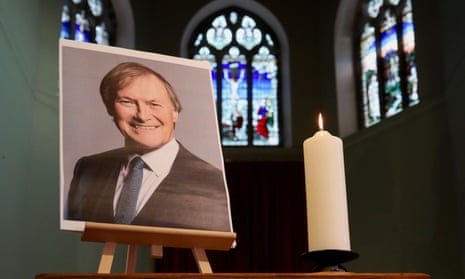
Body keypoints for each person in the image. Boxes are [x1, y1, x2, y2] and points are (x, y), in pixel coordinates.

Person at [66, 62, 232, 232]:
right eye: (127, 102)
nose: (142, 116)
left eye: (154, 104)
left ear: (175, 113)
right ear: (110, 109)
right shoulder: (87, 169)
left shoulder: (210, 182)